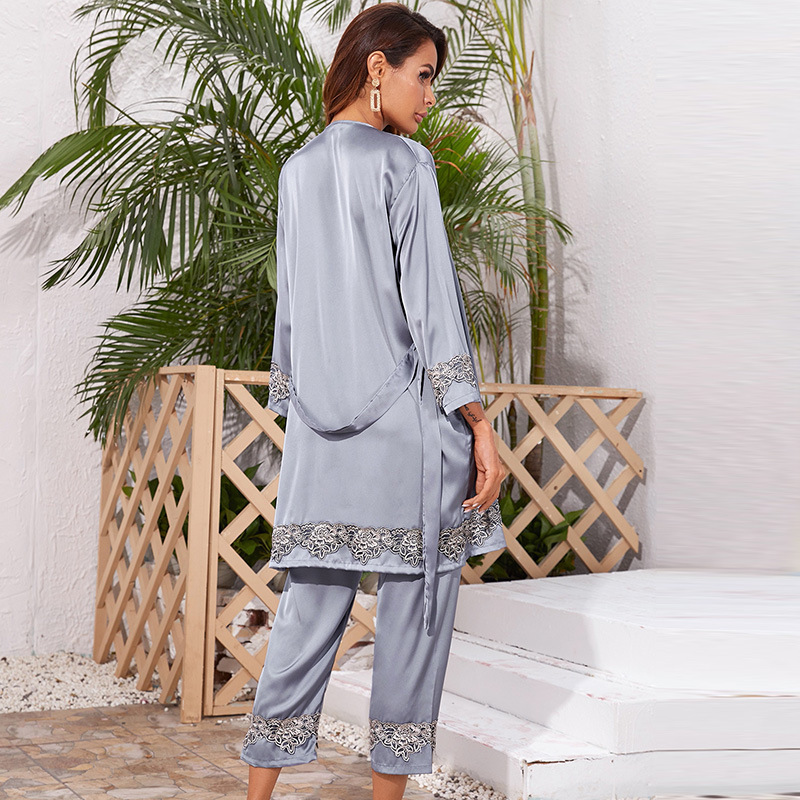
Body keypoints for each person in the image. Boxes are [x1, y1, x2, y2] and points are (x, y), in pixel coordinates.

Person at [241, 4, 505, 799]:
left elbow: (293, 314)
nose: (430, 96)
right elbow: (431, 304)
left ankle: (256, 793)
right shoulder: (404, 164)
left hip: (322, 440)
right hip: (407, 437)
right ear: (377, 67)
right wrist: (477, 421)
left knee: (305, 617)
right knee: (415, 622)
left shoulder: (297, 170)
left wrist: (301, 411)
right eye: (423, 75)